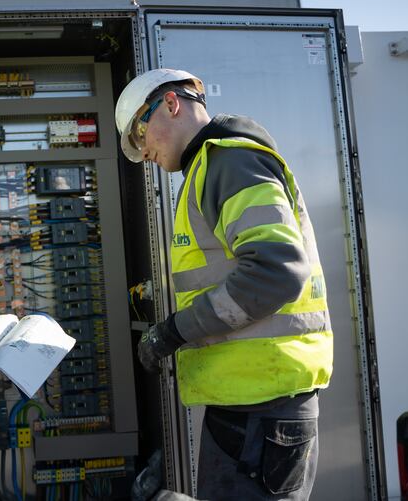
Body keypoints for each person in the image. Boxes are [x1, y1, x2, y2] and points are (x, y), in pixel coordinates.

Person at [115, 69, 333, 500]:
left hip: (265, 412)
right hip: (250, 407)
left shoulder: (229, 163)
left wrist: (174, 330)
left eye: (141, 134)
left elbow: (276, 272)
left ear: (171, 105)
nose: (144, 153)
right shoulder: (207, 171)